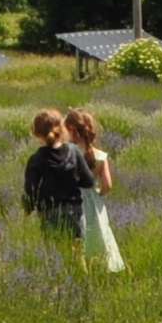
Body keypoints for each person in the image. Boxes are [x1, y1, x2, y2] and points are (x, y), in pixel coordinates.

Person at [68, 105, 126, 274]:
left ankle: (80, 271)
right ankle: (102, 269)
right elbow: (108, 185)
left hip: (72, 201)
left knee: (77, 238)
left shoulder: (67, 154)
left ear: (71, 130)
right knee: (99, 233)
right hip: (93, 201)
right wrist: (97, 193)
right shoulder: (100, 156)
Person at [19, 110, 92, 242]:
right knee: (77, 254)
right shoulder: (74, 151)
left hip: (49, 214)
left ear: (36, 133)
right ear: (62, 128)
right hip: (74, 212)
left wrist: (26, 211)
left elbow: (31, 194)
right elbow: (88, 182)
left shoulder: (35, 160)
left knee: (55, 255)